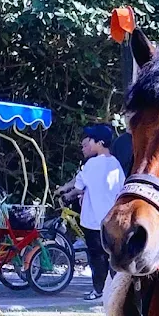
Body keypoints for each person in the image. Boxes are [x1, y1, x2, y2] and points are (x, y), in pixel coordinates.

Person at [58, 125, 123, 301]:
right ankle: (114, 291)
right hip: (111, 220)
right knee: (111, 256)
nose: (88, 143)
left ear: (100, 143)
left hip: (93, 220)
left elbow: (78, 187)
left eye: (91, 140)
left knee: (96, 257)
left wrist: (67, 195)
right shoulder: (116, 164)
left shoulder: (92, 164)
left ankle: (98, 290)